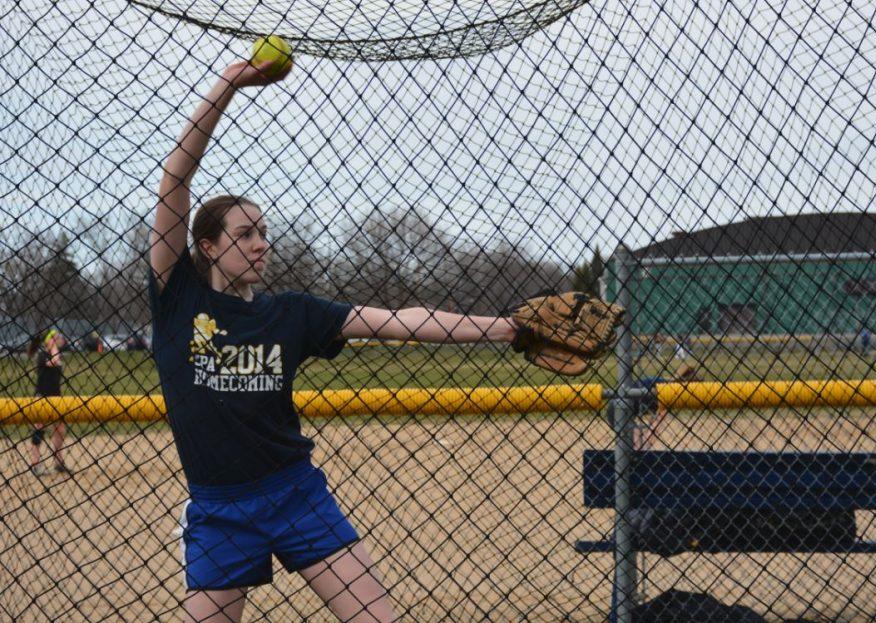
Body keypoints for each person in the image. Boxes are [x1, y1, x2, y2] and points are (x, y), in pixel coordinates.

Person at [150, 58, 518, 623]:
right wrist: (229, 82)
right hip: (218, 509)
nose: (260, 245)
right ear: (206, 245)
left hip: (296, 495)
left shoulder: (291, 313)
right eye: (245, 234)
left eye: (263, 234)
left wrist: (509, 330)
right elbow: (176, 179)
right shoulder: (178, 298)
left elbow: (400, 320)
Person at [28, 328, 71, 476]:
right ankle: (35, 464)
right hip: (42, 397)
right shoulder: (43, 355)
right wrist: (52, 346)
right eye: (57, 336)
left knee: (60, 429)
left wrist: (54, 347)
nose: (60, 338)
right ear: (50, 340)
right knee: (39, 429)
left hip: (55, 397)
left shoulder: (56, 354)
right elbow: (54, 362)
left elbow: (57, 362)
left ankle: (58, 463)